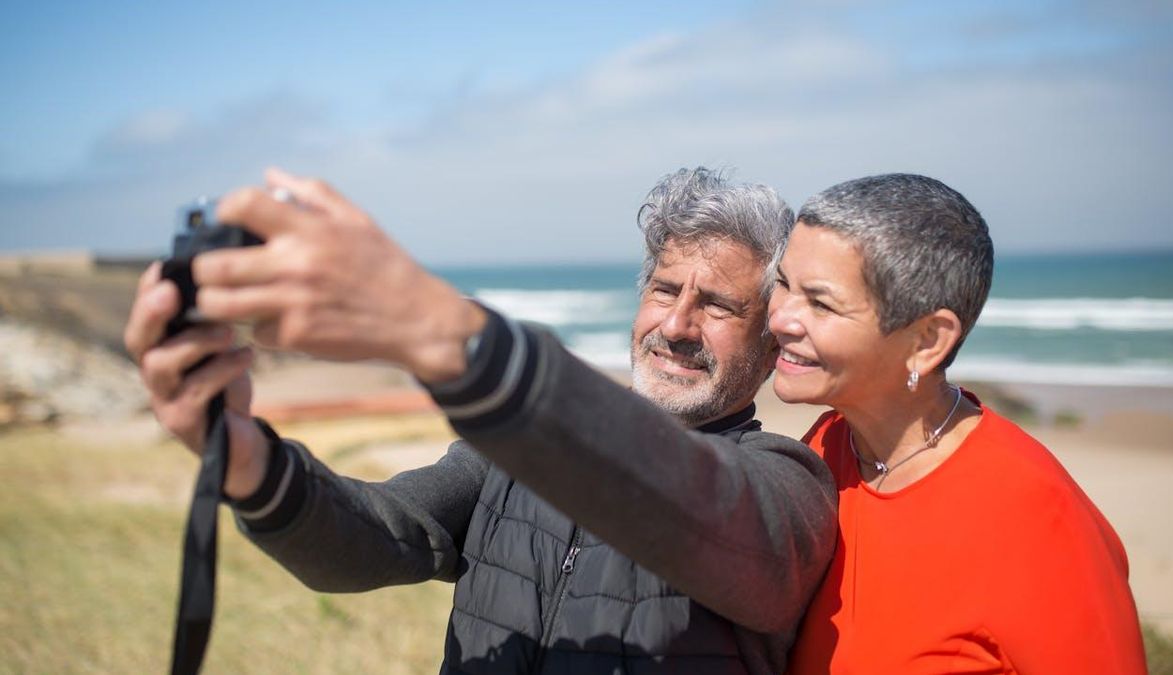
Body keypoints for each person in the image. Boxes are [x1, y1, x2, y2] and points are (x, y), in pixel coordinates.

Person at [124, 167, 837, 674]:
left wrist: (437, 331)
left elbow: (694, 502)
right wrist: (248, 458)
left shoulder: (786, 487)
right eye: (663, 289)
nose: (677, 324)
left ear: (772, 343)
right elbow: (374, 536)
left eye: (717, 305)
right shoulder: (510, 460)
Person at [768, 173, 1147, 674]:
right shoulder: (823, 447)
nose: (780, 318)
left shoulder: (1039, 521)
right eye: (783, 284)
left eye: (820, 303)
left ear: (928, 341)